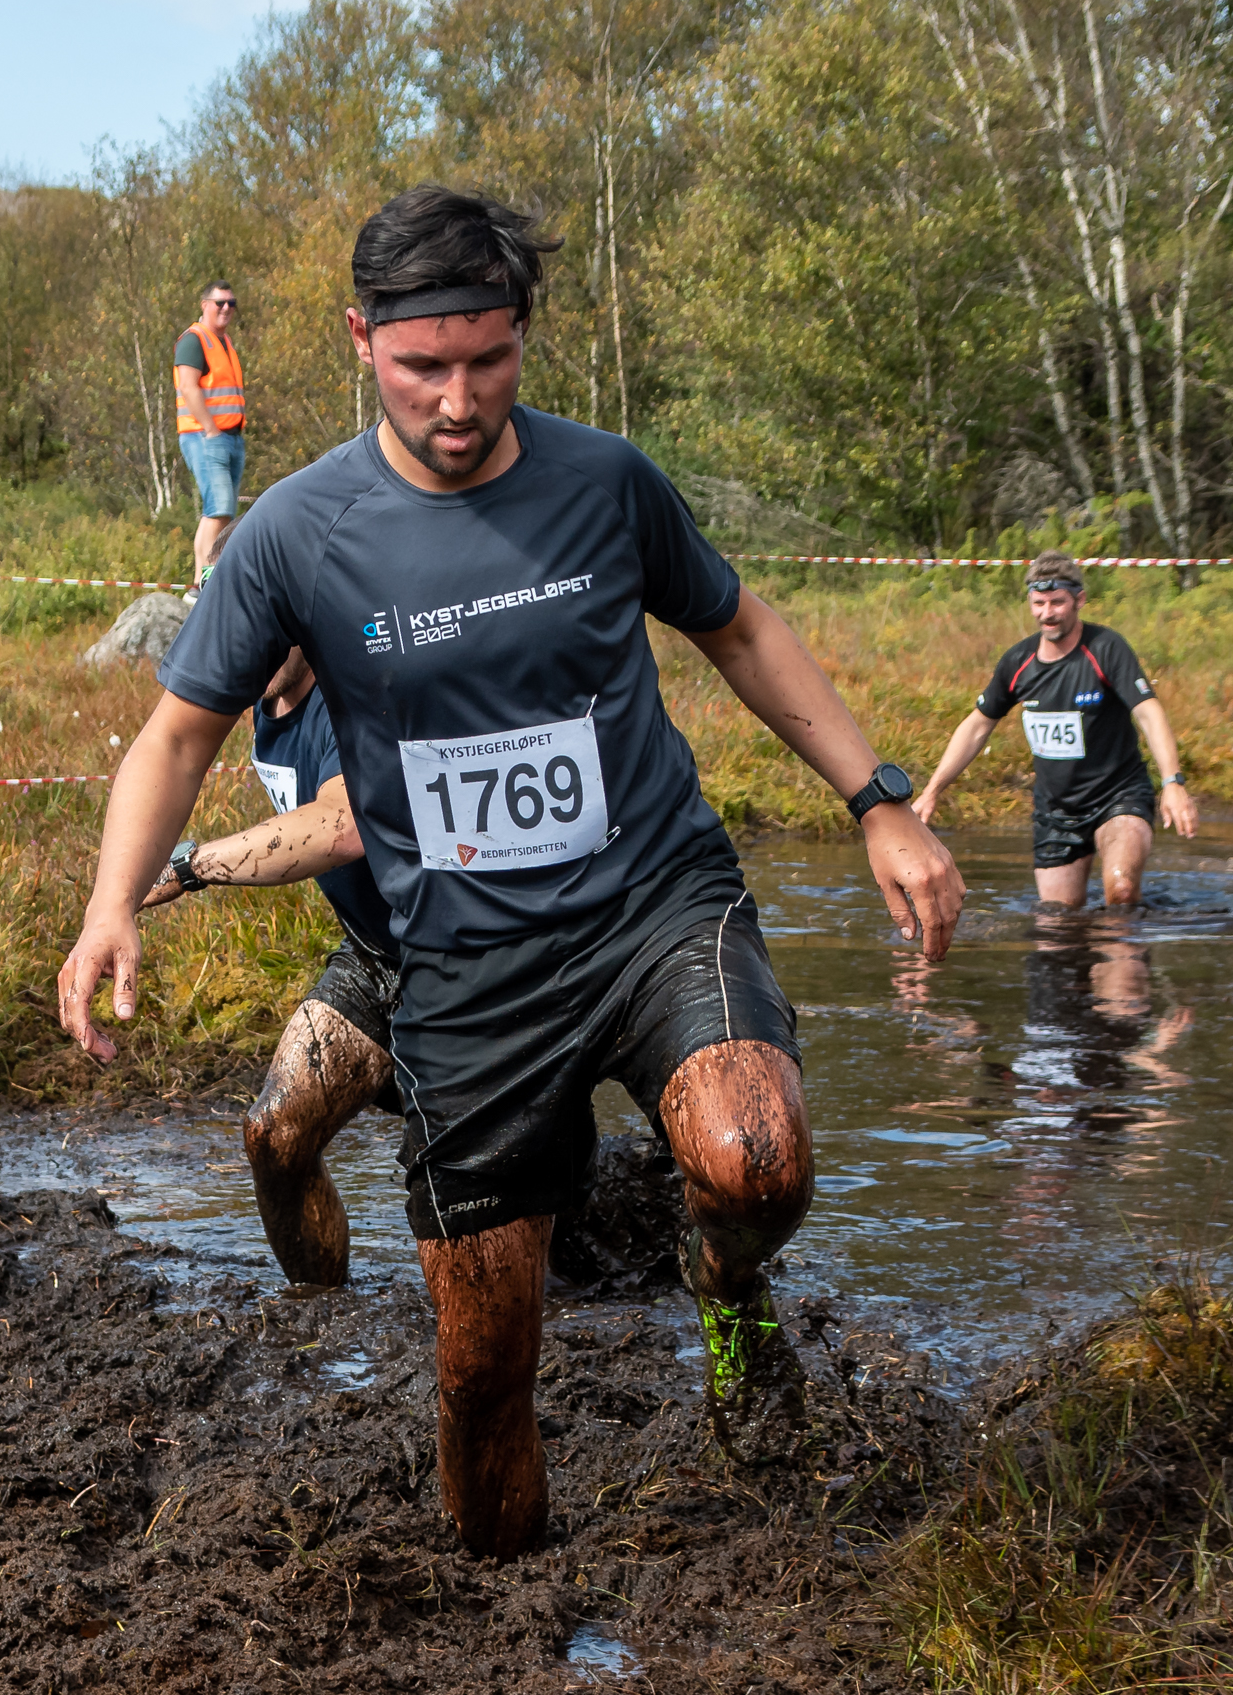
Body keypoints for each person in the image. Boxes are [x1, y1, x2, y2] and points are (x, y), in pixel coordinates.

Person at [58, 185, 965, 1560]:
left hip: (654, 902)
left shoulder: (604, 481)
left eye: (489, 360)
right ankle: (512, 1602)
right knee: (484, 1375)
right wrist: (110, 904)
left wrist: (879, 800)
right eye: (423, 364)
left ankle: (726, 1292)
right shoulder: (296, 531)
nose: (459, 399)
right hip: (467, 966)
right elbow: (178, 734)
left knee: (756, 1162)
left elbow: (739, 630)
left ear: (523, 337)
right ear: (361, 338)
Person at [142, 607, 400, 1287]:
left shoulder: (348, 693)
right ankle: (319, 1315)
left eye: (262, 618)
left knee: (512, 1204)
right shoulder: (265, 698)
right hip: (375, 955)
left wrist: (189, 866)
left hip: (461, 958)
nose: (246, 641)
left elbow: (343, 823)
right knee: (276, 1133)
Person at [913, 551, 1199, 906]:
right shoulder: (1018, 662)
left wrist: (1173, 782)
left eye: (1057, 603)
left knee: (1122, 889)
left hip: (1118, 796)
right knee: (1057, 919)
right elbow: (976, 726)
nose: (1047, 613)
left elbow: (1148, 712)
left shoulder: (1105, 648)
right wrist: (932, 791)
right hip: (1056, 811)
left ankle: (1128, 941)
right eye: (1039, 603)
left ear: (1079, 600)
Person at [175, 280, 246, 599]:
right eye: (220, 303)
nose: (226, 308)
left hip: (230, 437)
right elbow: (188, 386)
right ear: (205, 305)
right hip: (205, 436)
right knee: (217, 507)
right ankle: (199, 584)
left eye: (232, 303)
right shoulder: (194, 340)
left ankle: (209, 579)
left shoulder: (224, 342)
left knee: (224, 511)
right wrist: (210, 429)